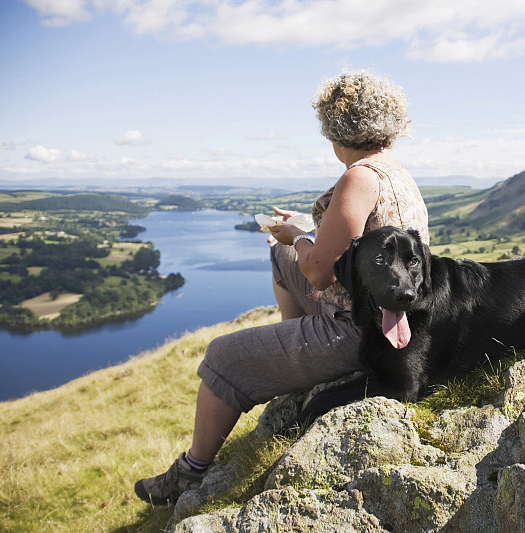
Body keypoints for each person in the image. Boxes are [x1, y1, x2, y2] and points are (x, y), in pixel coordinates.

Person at [134, 69, 429, 506]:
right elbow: (361, 240)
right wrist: (310, 229)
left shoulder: (358, 178)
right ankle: (292, 369)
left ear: (335, 128)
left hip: (360, 327)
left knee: (222, 357)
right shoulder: (395, 172)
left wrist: (298, 236)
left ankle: (188, 474)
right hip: (383, 310)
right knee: (280, 255)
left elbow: (319, 273)